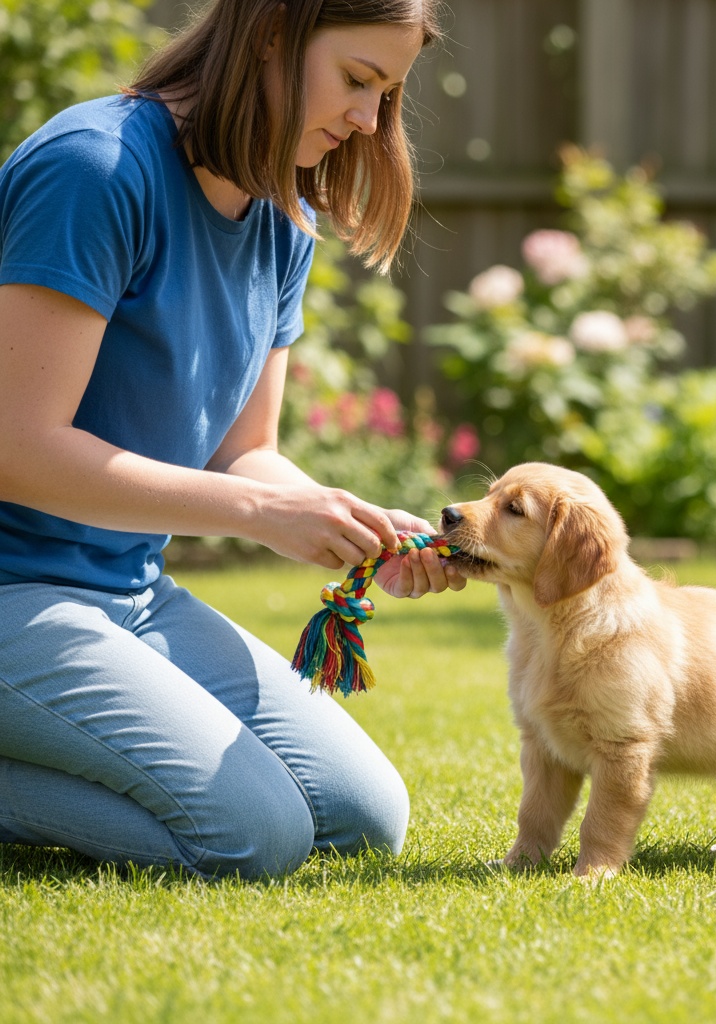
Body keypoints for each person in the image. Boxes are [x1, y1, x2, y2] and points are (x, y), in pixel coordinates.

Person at [0, 0, 464, 880]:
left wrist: (350, 523)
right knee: (258, 836)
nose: (370, 120)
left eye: (387, 94)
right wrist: (256, 511)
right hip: (13, 590)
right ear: (273, 36)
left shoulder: (282, 215)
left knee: (365, 814)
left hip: (128, 596)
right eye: (359, 80)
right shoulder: (95, 170)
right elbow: (16, 448)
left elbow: (243, 452)